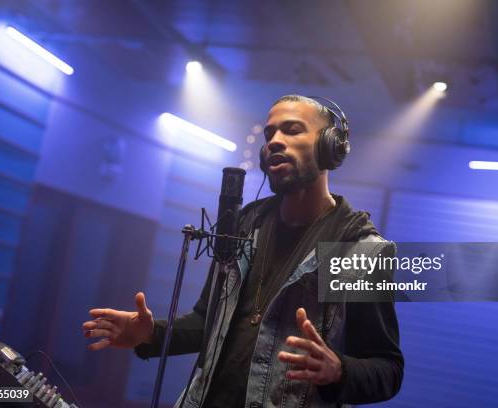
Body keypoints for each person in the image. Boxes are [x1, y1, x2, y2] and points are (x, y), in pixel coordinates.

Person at [82, 95, 404, 407]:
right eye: (270, 133)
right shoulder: (245, 226)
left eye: (292, 130)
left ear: (329, 146)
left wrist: (339, 371)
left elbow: (387, 370)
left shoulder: (358, 251)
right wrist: (151, 334)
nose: (275, 141)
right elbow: (206, 322)